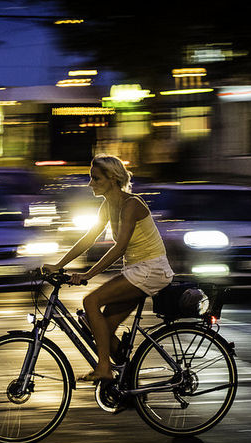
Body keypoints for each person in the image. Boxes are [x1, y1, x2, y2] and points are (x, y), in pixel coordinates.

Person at [43, 154, 174, 381]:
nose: (90, 183)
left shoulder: (131, 204)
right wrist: (58, 265)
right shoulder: (107, 206)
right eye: (90, 178)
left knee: (90, 302)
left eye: (96, 179)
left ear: (112, 179)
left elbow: (120, 247)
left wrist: (88, 274)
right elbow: (88, 239)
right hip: (136, 270)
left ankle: (104, 369)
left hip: (151, 269)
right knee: (102, 328)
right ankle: (129, 381)